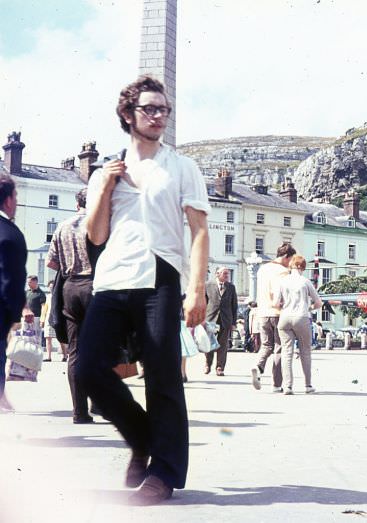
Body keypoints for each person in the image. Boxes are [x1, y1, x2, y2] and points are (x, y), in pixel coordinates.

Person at [76, 75, 210, 505]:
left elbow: (199, 230)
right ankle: (141, 437)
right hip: (113, 277)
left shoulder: (182, 167)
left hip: (160, 275)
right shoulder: (107, 170)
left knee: (163, 373)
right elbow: (96, 236)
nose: (158, 117)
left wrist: (197, 289)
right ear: (127, 115)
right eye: (149, 109)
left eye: (163, 110)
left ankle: (163, 474)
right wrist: (106, 186)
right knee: (88, 369)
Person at [47, 188, 96, 423]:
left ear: (77, 203)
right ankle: (100, 402)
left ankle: (79, 411)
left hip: (70, 288)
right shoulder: (100, 223)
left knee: (75, 351)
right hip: (95, 286)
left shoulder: (62, 226)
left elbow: (51, 263)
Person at [274, 255, 322, 395]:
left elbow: (276, 304)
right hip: (301, 317)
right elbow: (318, 303)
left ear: (291, 266)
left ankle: (287, 386)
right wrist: (309, 308)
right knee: (305, 352)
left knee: (286, 352)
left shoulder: (283, 281)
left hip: (285, 318)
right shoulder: (305, 282)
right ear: (302, 267)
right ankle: (308, 385)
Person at [251, 242, 295, 392]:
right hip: (277, 313)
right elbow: (279, 293)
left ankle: (258, 366)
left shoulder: (262, 269)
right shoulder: (283, 272)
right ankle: (276, 385)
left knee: (266, 345)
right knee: (279, 348)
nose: (291, 263)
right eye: (290, 260)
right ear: (285, 257)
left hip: (262, 313)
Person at [0, 173, 27, 412]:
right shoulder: (9, 234)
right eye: (16, 196)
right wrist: (14, 316)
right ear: (8, 200)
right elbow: (12, 281)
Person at [204, 266, 237, 377]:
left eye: (228, 274)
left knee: (223, 345)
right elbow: (204, 303)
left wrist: (233, 323)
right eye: (225, 273)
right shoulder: (208, 285)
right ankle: (208, 364)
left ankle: (220, 367)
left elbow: (234, 306)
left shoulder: (231, 287)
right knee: (209, 343)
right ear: (217, 274)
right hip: (211, 319)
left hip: (225, 320)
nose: (227, 276)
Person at [40, 280, 64, 362]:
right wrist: (42, 319)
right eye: (50, 287)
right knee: (48, 338)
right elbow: (45, 309)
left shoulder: (60, 295)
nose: (51, 288)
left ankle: (64, 355)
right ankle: (49, 357)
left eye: (52, 287)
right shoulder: (48, 296)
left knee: (60, 338)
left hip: (57, 318)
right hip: (48, 319)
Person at [25, 275, 47, 347]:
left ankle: (37, 356)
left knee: (36, 338)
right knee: (27, 337)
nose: (28, 284)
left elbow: (43, 307)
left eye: (30, 282)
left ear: (35, 282)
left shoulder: (41, 294)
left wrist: (42, 320)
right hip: (26, 319)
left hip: (36, 319)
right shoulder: (26, 292)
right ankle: (28, 354)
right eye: (28, 282)